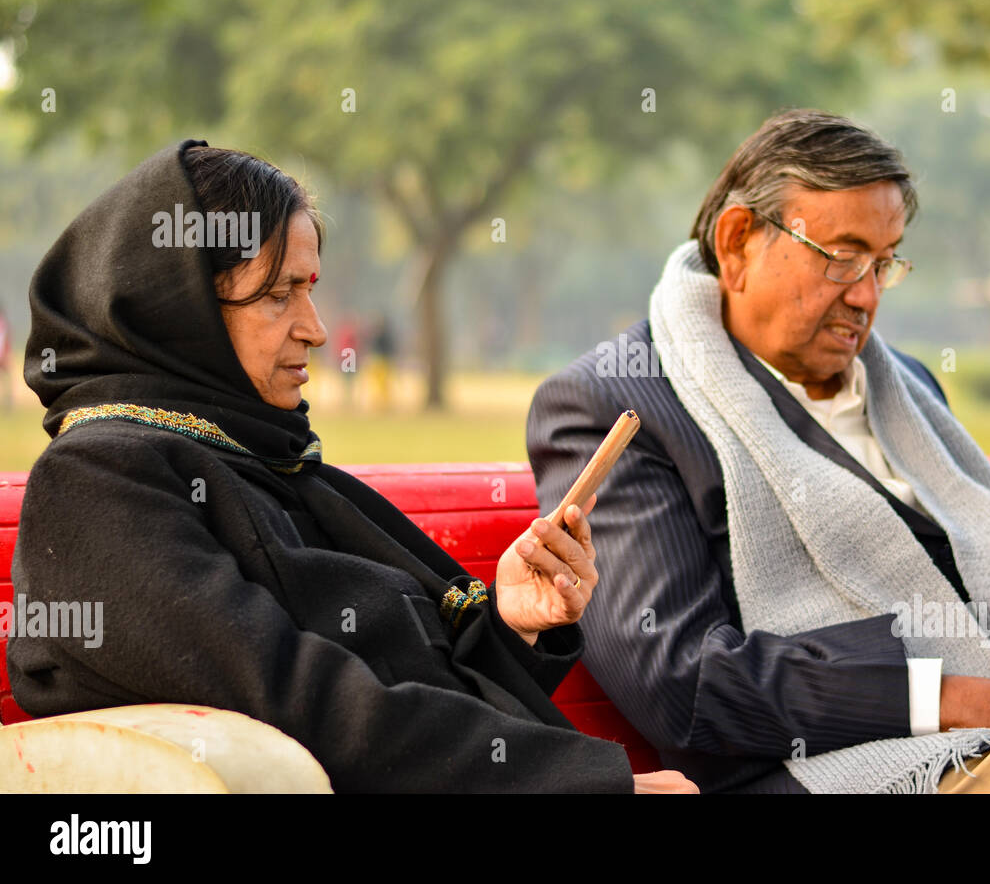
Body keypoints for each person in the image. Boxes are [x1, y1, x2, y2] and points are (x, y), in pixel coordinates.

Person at [527, 109, 990, 793]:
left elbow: (959, 581)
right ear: (737, 240)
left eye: (885, 262)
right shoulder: (615, 406)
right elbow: (679, 681)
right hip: (844, 774)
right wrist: (968, 701)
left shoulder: (904, 383)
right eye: (842, 257)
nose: (868, 296)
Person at [7, 139, 695, 794]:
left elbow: (392, 692)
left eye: (310, 288)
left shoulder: (265, 461)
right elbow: (306, 705)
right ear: (178, 311)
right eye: (278, 294)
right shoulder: (100, 483)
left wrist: (513, 626)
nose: (315, 327)